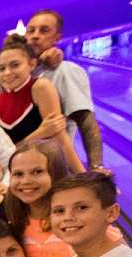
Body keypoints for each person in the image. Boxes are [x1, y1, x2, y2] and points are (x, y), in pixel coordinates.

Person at [26, 10, 106, 172]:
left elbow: (86, 121)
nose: (35, 35)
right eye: (31, 30)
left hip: (55, 169)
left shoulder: (65, 71)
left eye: (44, 30)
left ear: (57, 38)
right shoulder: (20, 75)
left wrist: (96, 167)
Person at [0, 35, 81, 169]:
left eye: (15, 65)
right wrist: (40, 133)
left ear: (32, 64)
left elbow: (60, 138)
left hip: (47, 168)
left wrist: (83, 175)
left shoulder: (40, 88)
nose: (7, 73)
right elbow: (2, 156)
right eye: (1, 68)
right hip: (16, 174)